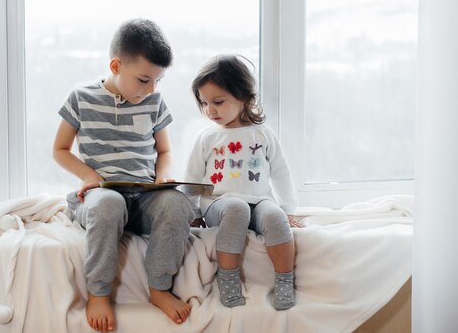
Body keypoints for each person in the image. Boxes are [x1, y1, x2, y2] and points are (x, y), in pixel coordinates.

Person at [53, 18, 195, 332]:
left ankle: (159, 289)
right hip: (100, 197)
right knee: (108, 204)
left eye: (158, 81)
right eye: (144, 79)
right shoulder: (81, 98)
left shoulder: (154, 102)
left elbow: (165, 152)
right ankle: (98, 292)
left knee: (178, 204)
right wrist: (89, 176)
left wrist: (163, 176)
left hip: (144, 196)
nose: (151, 90)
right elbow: (60, 149)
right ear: (116, 65)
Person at [184, 54, 303, 311]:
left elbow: (281, 172)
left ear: (244, 97)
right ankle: (227, 279)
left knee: (274, 217)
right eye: (204, 103)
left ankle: (285, 281)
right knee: (237, 208)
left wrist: (288, 209)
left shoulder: (262, 134)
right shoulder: (207, 137)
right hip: (220, 205)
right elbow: (192, 177)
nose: (210, 110)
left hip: (259, 201)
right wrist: (193, 211)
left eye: (217, 102)